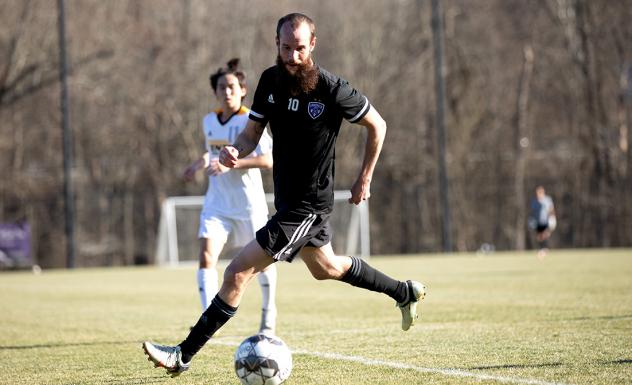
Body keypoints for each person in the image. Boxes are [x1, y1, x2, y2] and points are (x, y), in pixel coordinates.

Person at [142, 13, 426, 377]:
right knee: (327, 268)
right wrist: (234, 152)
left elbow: (378, 125)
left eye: (300, 49)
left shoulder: (332, 89)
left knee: (236, 273)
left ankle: (182, 354)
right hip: (289, 202)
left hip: (308, 206)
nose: (292, 56)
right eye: (286, 47)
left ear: (313, 46)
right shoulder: (269, 81)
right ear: (276, 43)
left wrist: (364, 178)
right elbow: (250, 135)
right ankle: (404, 291)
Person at [182, 58, 277, 335]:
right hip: (218, 205)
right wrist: (199, 163)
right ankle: (207, 319)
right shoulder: (209, 121)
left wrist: (230, 163)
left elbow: (268, 160)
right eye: (222, 87)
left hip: (249, 205)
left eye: (232, 87)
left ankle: (268, 317)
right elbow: (213, 151)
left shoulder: (251, 120)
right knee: (206, 257)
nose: (227, 92)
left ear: (243, 90)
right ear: (216, 92)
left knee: (263, 264)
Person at [528, 185, 556, 259]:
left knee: (545, 235)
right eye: (538, 193)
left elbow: (551, 209)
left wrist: (552, 217)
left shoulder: (547, 200)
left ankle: (544, 250)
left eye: (540, 192)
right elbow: (532, 212)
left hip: (546, 221)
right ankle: (542, 249)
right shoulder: (534, 201)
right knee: (539, 237)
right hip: (538, 221)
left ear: (543, 192)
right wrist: (531, 219)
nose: (539, 194)